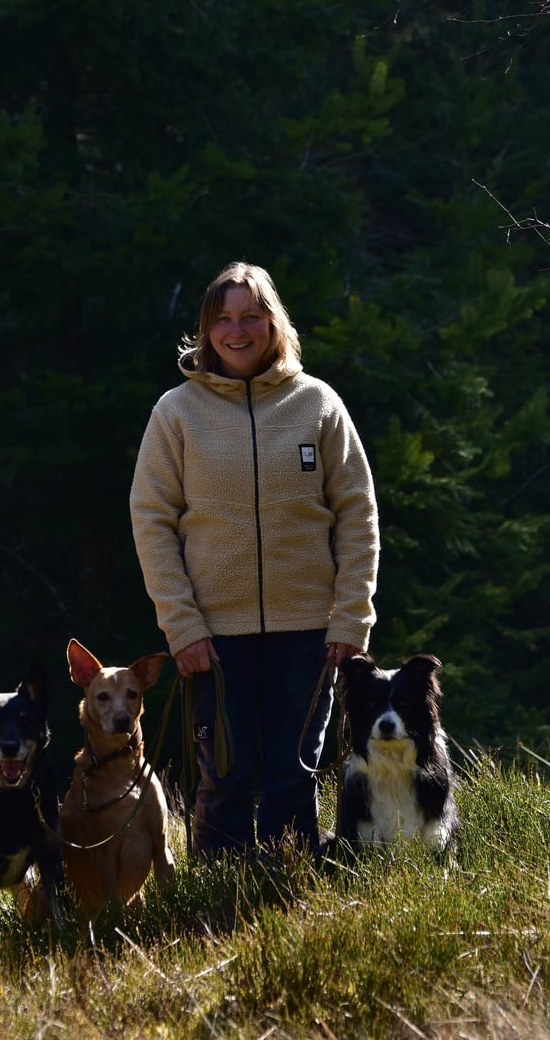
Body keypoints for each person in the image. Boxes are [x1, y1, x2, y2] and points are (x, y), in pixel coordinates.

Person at [129, 261, 379, 859]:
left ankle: (288, 908)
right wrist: (181, 625)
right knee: (224, 779)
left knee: (295, 774)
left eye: (250, 316)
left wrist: (352, 618)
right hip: (213, 637)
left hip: (310, 632)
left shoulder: (318, 403)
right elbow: (152, 521)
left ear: (273, 323)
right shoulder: (176, 412)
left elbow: (357, 514)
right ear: (206, 331)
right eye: (223, 320)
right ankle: (217, 910)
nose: (237, 331)